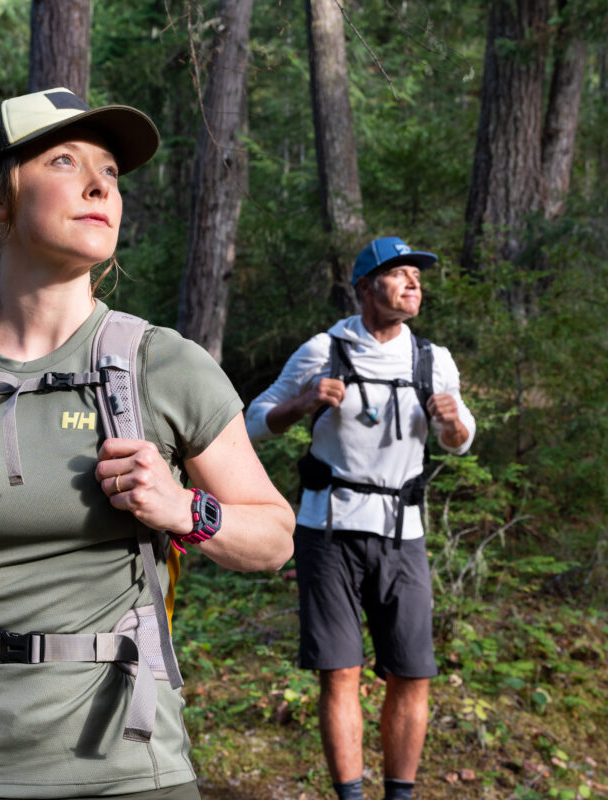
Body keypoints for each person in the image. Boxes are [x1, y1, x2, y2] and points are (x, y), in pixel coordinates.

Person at [0, 87, 295, 800]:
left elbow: (276, 536)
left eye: (110, 172)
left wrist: (187, 508)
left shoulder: (161, 364)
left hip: (126, 772)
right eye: (65, 161)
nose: (100, 184)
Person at [245, 237, 475, 800]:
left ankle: (399, 795)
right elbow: (252, 421)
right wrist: (302, 404)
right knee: (340, 671)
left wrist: (451, 423)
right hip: (329, 531)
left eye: (418, 276)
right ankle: (350, 795)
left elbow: (461, 442)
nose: (415, 282)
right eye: (400, 274)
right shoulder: (323, 350)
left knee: (412, 673)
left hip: (405, 535)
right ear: (366, 287)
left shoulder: (433, 360)